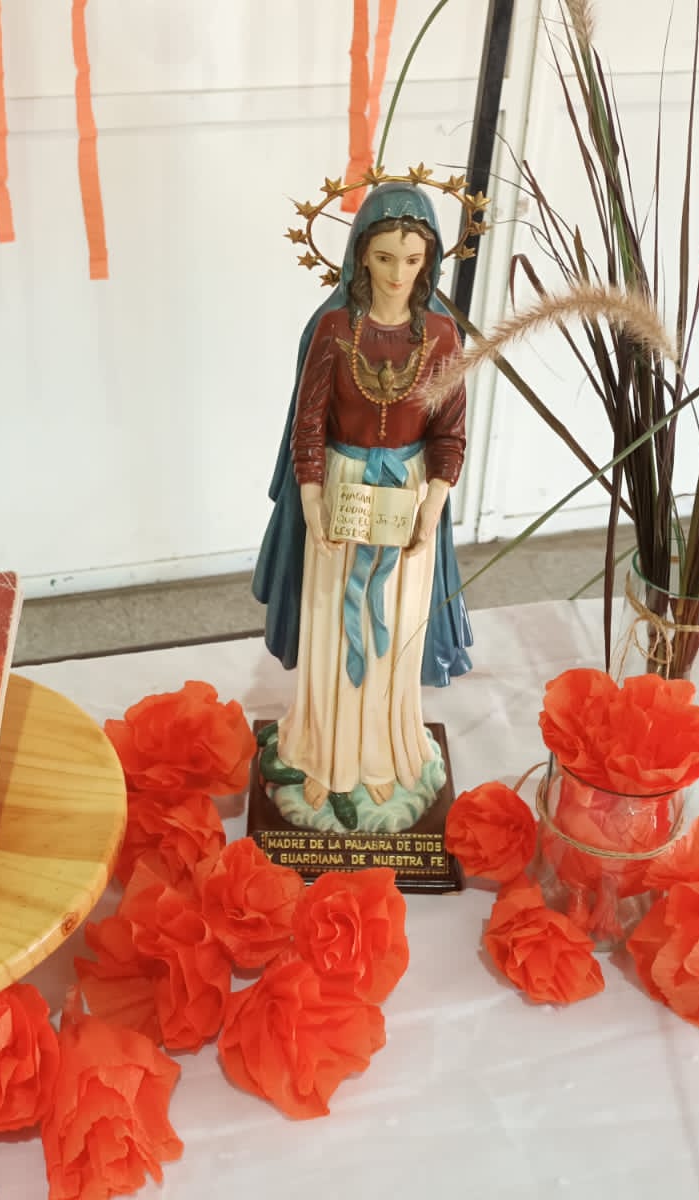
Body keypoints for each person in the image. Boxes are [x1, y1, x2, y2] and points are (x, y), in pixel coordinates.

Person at [252, 182, 473, 817]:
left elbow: (449, 431)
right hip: (341, 490)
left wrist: (433, 503)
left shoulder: (441, 335)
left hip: (406, 494)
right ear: (360, 257)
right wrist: (312, 501)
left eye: (412, 259)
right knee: (331, 622)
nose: (399, 274)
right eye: (384, 258)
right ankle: (321, 753)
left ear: (429, 261)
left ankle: (383, 754)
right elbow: (308, 424)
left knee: (395, 629)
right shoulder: (333, 330)